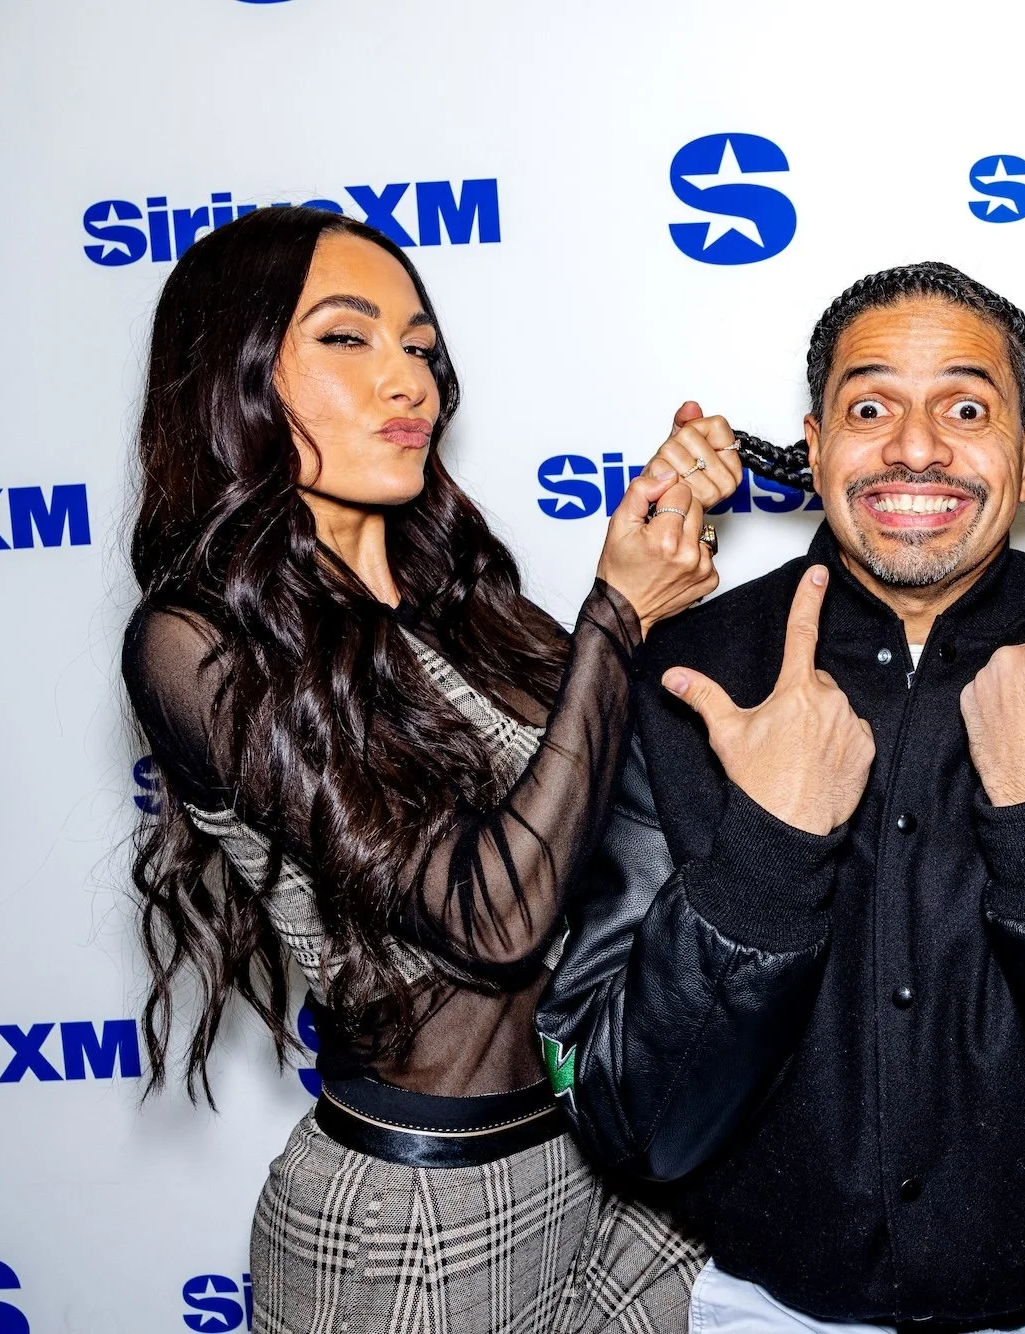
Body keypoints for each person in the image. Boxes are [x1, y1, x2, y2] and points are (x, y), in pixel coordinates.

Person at [537, 261, 1025, 1333]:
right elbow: (623, 1113)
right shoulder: (688, 672)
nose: (916, 446)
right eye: (870, 405)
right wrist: (766, 852)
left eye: (966, 408)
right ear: (813, 446)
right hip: (773, 1313)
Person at [123, 206, 732, 1333]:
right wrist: (614, 613)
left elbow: (647, 785)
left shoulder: (464, 599)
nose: (407, 378)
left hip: (607, 1161)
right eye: (347, 339)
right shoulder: (195, 639)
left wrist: (670, 523)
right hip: (416, 1217)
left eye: (419, 345)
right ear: (235, 376)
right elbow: (493, 913)